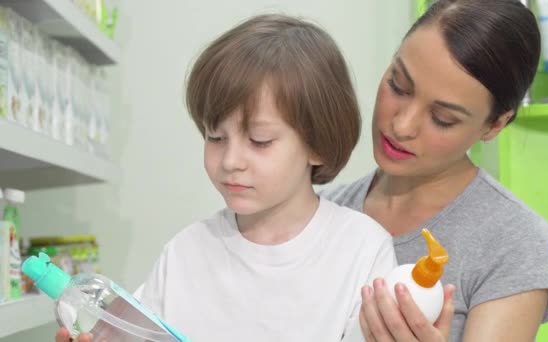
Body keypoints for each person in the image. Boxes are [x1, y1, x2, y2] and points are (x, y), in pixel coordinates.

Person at [55, 14, 397, 342]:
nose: (231, 161)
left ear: (317, 144)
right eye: (215, 137)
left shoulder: (361, 250)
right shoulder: (184, 255)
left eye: (259, 141)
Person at [321, 0, 548, 341]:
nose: (403, 125)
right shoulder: (322, 213)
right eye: (398, 85)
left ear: (495, 124)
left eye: (443, 119)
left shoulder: (512, 242)